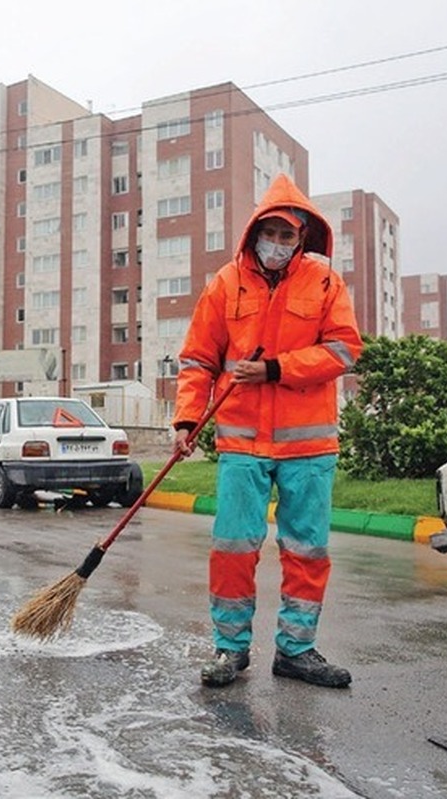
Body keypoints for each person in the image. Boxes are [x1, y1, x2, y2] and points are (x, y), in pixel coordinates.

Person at [171, 174, 363, 689]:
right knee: (233, 547)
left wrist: (276, 369)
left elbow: (344, 350)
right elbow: (196, 360)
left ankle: (296, 651)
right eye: (270, 231)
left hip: (309, 446)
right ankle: (230, 650)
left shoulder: (326, 285)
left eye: (288, 235)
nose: (277, 243)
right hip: (241, 443)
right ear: (254, 231)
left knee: (307, 551)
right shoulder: (224, 284)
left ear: (302, 239)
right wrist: (187, 420)